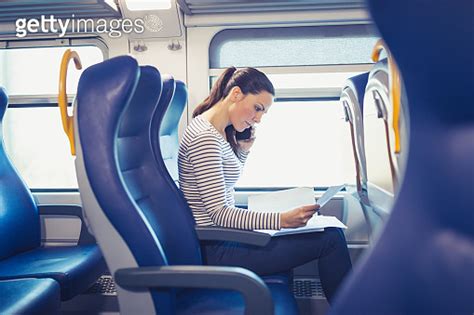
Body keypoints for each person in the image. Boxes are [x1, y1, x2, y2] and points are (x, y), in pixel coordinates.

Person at [178, 66, 352, 303]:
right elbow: (219, 214)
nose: (258, 118)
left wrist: (242, 151)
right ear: (236, 94)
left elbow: (225, 183)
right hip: (218, 249)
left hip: (227, 239)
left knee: (329, 234)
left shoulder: (216, 131)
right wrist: (282, 220)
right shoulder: (205, 138)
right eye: (257, 108)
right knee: (331, 240)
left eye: (263, 113)